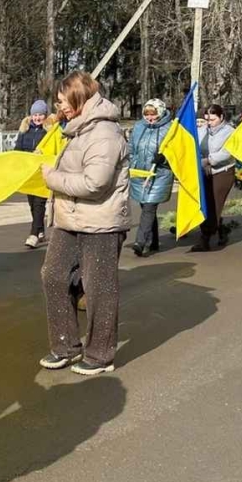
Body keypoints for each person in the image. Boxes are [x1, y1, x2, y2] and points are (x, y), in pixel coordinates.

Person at [39, 71, 129, 375]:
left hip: (101, 222)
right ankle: (65, 346)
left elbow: (96, 183)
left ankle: (100, 355)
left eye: (63, 99)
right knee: (53, 276)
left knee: (99, 288)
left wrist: (52, 178)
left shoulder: (104, 133)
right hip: (70, 219)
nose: (59, 105)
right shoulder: (77, 130)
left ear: (79, 98)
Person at [128, 98, 173, 257]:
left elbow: (177, 153)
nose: (150, 118)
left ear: (160, 112)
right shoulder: (139, 127)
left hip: (159, 174)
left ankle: (140, 242)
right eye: (147, 114)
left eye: (153, 114)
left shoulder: (170, 128)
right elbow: (131, 148)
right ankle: (153, 240)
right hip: (140, 173)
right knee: (145, 206)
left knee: (149, 207)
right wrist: (132, 162)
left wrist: (165, 159)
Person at [195, 104, 237, 251]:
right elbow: (195, 145)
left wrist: (208, 160)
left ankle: (205, 239)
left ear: (221, 117)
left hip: (222, 172)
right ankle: (221, 230)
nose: (209, 122)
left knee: (215, 205)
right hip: (204, 171)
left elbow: (228, 152)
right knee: (205, 204)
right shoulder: (202, 131)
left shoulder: (230, 132)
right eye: (207, 119)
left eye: (213, 119)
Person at [15, 99, 51, 248]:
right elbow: (18, 149)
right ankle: (40, 229)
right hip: (29, 173)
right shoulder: (24, 130)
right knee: (31, 203)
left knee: (39, 203)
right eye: (34, 115)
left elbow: (52, 149)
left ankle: (34, 234)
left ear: (45, 116)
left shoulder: (49, 132)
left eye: (40, 115)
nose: (37, 118)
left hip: (42, 172)